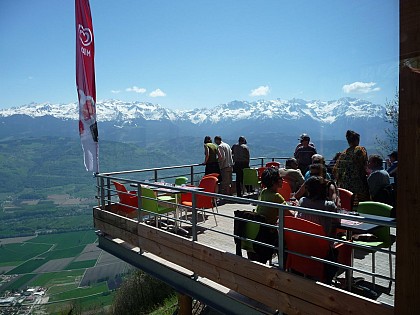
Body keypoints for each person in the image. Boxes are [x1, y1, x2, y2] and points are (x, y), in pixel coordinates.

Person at [333, 130, 370, 202]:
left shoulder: (343, 154)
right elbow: (364, 165)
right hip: (357, 184)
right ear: (357, 140)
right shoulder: (360, 150)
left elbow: (335, 170)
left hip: (344, 186)